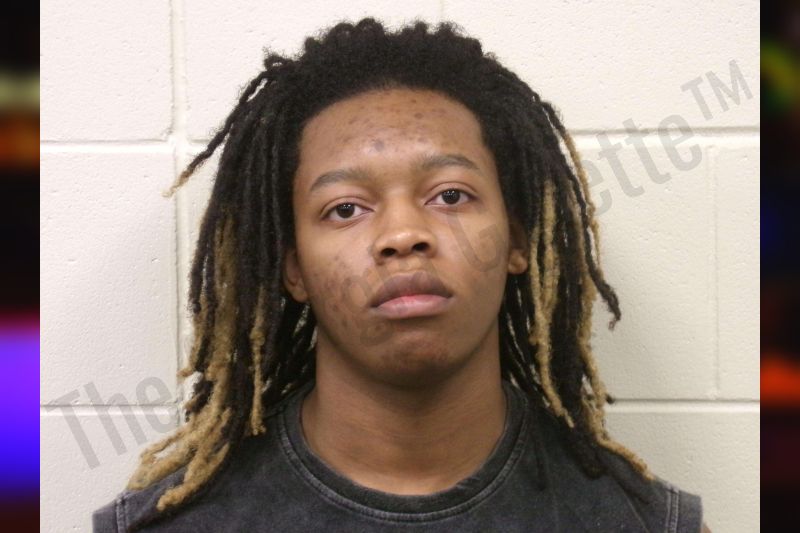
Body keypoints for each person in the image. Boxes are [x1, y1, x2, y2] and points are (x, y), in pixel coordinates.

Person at [92, 17, 708, 532]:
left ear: (518, 242)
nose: (402, 235)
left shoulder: (640, 522)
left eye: (450, 196)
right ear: (293, 267)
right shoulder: (177, 523)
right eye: (345, 209)